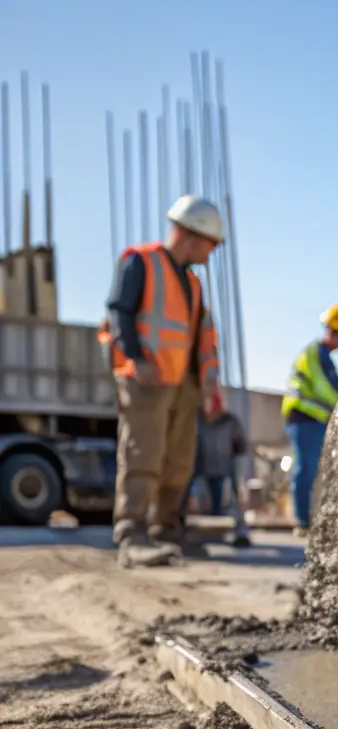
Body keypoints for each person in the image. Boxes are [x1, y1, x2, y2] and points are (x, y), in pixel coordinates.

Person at [102, 195, 222, 568]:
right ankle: (132, 534)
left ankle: (166, 531)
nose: (212, 252)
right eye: (211, 244)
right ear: (191, 235)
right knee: (143, 455)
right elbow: (119, 312)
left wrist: (207, 384)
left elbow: (198, 339)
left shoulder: (193, 284)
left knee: (179, 462)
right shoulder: (141, 261)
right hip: (147, 378)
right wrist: (137, 359)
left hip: (182, 384)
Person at [281, 306, 338, 533]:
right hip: (305, 417)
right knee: (306, 468)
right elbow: (327, 388)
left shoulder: (322, 356)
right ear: (335, 332)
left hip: (313, 418)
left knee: (316, 470)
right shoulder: (317, 355)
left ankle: (312, 519)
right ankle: (303, 522)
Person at [194, 391, 250, 545]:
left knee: (232, 497)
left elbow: (241, 443)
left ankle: (238, 529)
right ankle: (209, 532)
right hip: (204, 467)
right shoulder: (199, 420)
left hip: (226, 466)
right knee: (207, 499)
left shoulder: (230, 421)